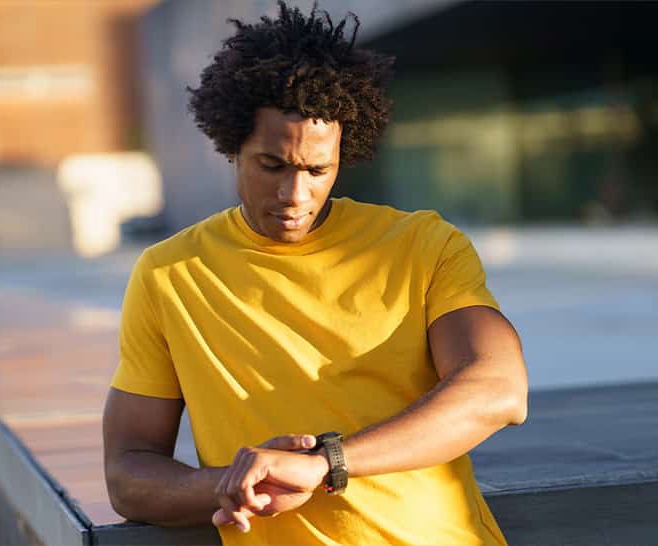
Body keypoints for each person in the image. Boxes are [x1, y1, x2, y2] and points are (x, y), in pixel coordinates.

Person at [102, 3, 528, 545]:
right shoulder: (170, 274)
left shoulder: (422, 244)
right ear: (232, 146)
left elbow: (498, 389)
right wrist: (233, 486)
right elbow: (128, 475)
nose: (294, 196)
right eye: (272, 166)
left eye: (316, 170)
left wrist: (325, 462)